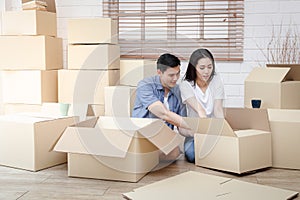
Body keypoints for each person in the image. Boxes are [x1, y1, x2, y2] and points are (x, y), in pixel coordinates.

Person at [132, 53, 192, 160]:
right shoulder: (145, 85)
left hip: (162, 137)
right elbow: (163, 114)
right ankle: (142, 156)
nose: (175, 78)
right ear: (159, 72)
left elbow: (181, 126)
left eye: (178, 74)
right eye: (171, 75)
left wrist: (195, 132)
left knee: (176, 152)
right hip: (144, 133)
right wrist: (189, 125)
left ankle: (145, 158)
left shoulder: (178, 91)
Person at [179, 48, 225, 163]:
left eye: (210, 67)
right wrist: (205, 134)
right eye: (202, 68)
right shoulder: (186, 85)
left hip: (213, 131)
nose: (206, 72)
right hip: (195, 132)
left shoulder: (216, 81)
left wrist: (223, 132)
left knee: (223, 151)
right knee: (192, 155)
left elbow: (218, 109)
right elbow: (200, 111)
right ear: (194, 67)